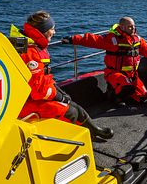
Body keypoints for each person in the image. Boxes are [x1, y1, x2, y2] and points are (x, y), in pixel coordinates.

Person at [10, 11, 113, 139]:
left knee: (73, 104)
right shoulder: (30, 53)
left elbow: (43, 79)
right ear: (43, 30)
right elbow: (38, 91)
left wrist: (59, 92)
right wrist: (58, 96)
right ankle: (76, 139)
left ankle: (94, 130)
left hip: (35, 95)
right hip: (26, 103)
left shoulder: (35, 45)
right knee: (70, 111)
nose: (54, 32)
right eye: (52, 29)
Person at [61, 17, 147, 105]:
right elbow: (92, 39)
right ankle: (113, 94)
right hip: (115, 73)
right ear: (122, 27)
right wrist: (72, 39)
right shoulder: (112, 39)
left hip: (132, 75)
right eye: (130, 27)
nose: (133, 28)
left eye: (134, 26)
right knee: (126, 87)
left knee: (141, 97)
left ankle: (123, 95)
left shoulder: (137, 40)